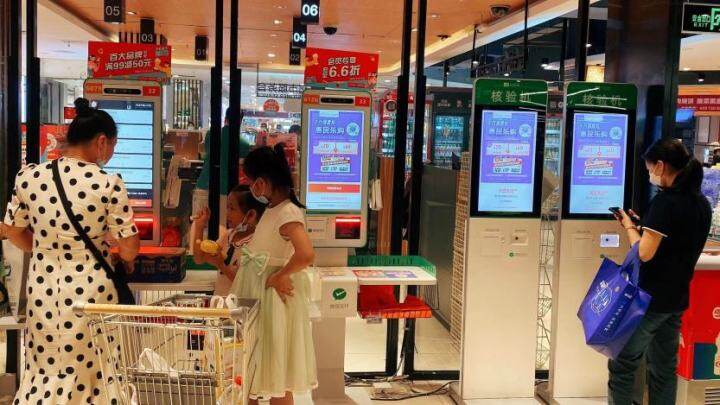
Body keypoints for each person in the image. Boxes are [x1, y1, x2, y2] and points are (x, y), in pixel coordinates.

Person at [3, 104, 140, 404]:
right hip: (92, 292)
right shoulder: (107, 183)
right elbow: (130, 249)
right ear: (101, 141)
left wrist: (45, 249)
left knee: (45, 367)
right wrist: (114, 250)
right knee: (95, 370)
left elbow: (12, 231)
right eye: (113, 145)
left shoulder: (28, 178)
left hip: (43, 290)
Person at [609, 138, 711, 404]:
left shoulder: (666, 203)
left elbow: (644, 253)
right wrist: (646, 225)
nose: (649, 174)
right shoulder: (701, 203)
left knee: (623, 363)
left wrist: (629, 227)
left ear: (661, 166)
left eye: (649, 168)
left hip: (649, 301)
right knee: (664, 368)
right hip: (677, 299)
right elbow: (676, 244)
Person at [236, 144, 316, 404]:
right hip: (260, 297)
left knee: (274, 370)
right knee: (256, 367)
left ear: (261, 182)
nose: (251, 187)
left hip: (271, 300)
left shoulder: (288, 212)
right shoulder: (273, 209)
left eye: (251, 181)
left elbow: (306, 254)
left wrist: (281, 275)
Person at [192, 108, 251, 246]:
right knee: (221, 231)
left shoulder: (211, 134)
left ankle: (197, 254)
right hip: (226, 190)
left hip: (204, 185)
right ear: (240, 121)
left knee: (200, 225)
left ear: (225, 118)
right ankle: (216, 255)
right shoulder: (243, 143)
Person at [193, 185, 265, 295]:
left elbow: (245, 284)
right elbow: (199, 258)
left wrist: (222, 265)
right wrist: (199, 226)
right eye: (227, 207)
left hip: (239, 304)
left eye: (232, 208)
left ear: (251, 215)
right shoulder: (228, 235)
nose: (227, 213)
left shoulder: (256, 243)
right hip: (220, 301)